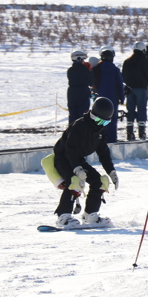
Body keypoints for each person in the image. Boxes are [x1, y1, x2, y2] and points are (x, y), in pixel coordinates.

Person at [51, 96, 119, 229]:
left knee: (100, 182)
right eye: (99, 121)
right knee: (74, 181)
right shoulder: (79, 126)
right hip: (64, 158)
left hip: (78, 159)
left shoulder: (100, 130)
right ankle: (63, 216)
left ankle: (90, 214)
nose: (101, 125)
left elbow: (103, 152)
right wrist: (77, 169)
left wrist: (111, 171)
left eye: (105, 123)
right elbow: (70, 150)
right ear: (93, 116)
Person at [92, 47, 126, 142]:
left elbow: (92, 82)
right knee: (112, 119)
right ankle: (111, 139)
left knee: (99, 119)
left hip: (99, 98)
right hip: (112, 98)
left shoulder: (96, 69)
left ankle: (99, 139)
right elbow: (120, 84)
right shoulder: (115, 70)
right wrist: (122, 98)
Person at [122, 42, 148, 140]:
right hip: (141, 89)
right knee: (142, 110)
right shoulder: (145, 61)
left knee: (130, 110)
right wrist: (146, 82)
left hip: (130, 89)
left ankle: (129, 131)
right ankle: (141, 132)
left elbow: (123, 76)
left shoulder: (127, 61)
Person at [66, 49, 93, 125]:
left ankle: (72, 132)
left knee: (72, 114)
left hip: (71, 92)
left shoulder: (70, 70)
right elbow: (91, 81)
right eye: (83, 60)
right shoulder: (85, 69)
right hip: (83, 92)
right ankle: (82, 133)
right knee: (83, 114)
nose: (84, 62)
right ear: (79, 59)